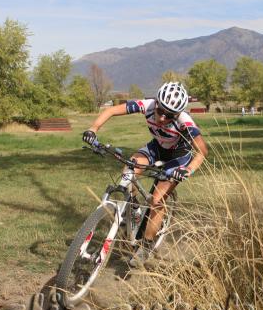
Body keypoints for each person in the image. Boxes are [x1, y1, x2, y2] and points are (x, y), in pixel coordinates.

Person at [82, 82, 208, 267]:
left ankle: (147, 245)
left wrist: (188, 170)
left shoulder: (185, 122)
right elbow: (111, 110)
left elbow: (202, 151)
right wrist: (93, 129)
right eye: (161, 110)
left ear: (178, 114)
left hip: (178, 157)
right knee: (129, 169)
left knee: (157, 200)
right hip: (156, 148)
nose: (163, 117)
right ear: (156, 102)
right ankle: (134, 210)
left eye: (170, 115)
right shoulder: (147, 105)